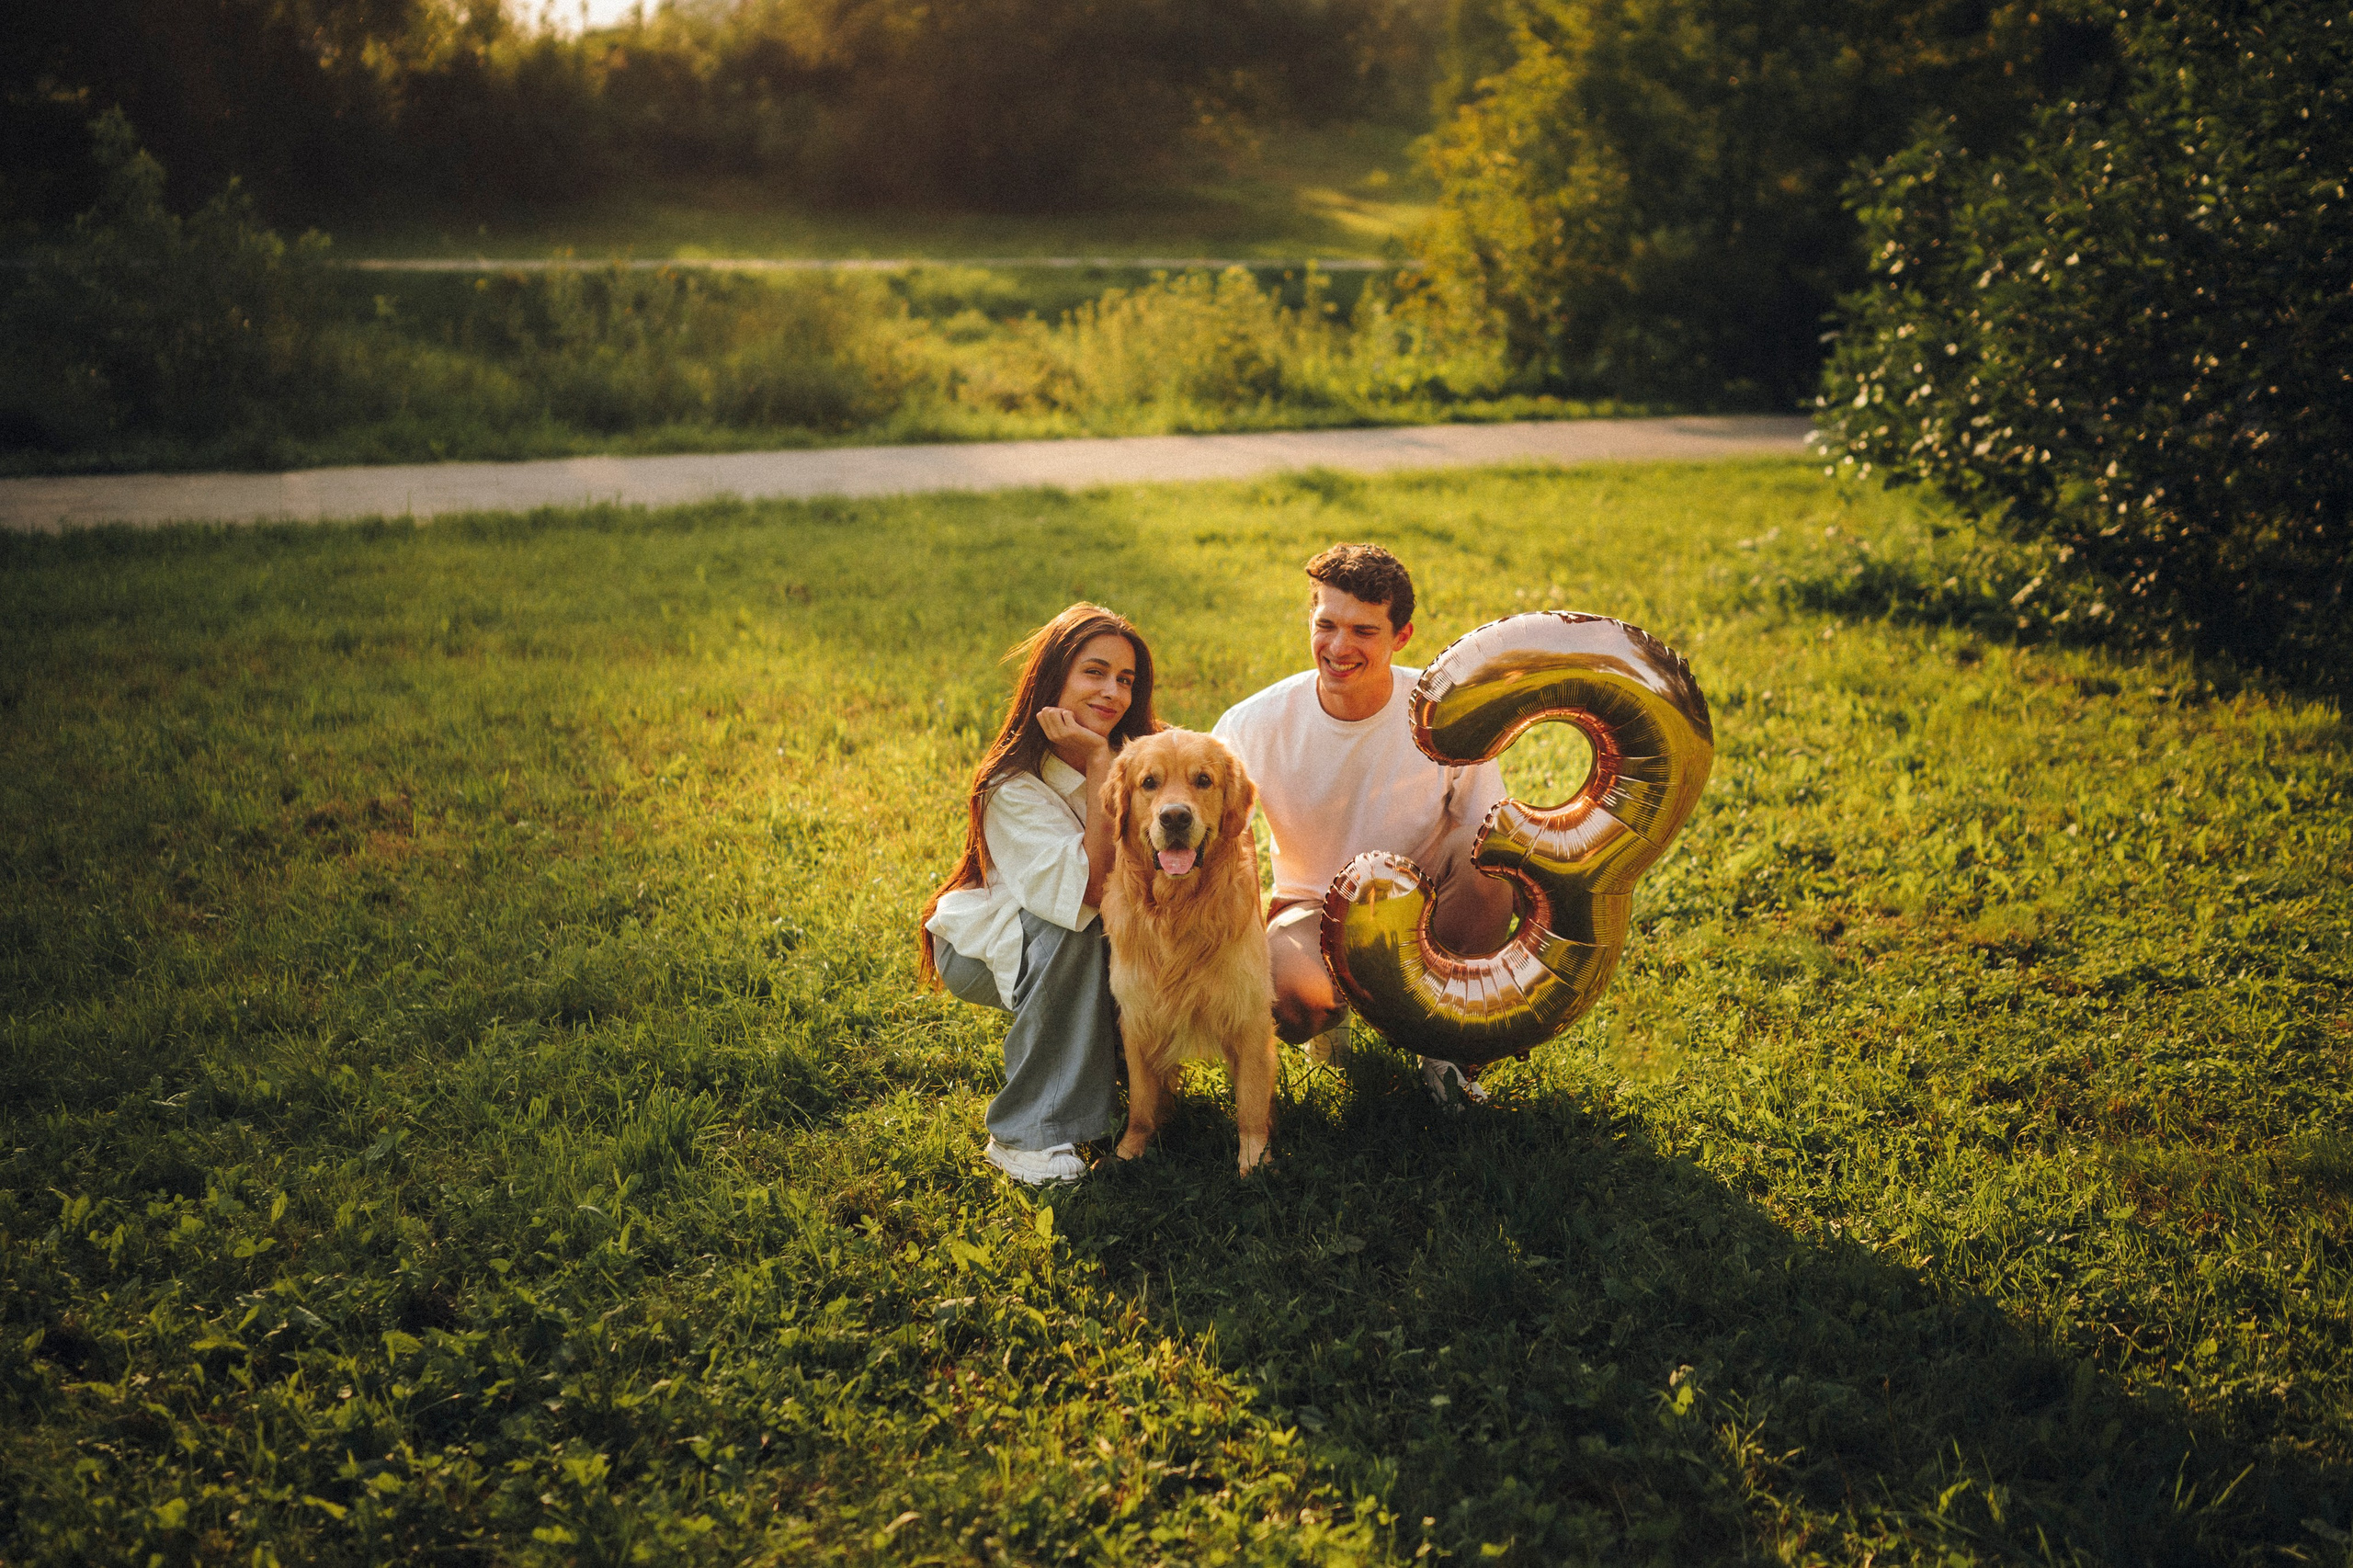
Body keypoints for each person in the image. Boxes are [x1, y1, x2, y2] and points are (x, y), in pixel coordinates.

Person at [1211, 544, 1514, 1102]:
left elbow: (1486, 831)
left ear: (1402, 636)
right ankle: (1329, 1013)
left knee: (1490, 868)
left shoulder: (1444, 712)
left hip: (1426, 899)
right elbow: (1224, 847)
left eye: (1364, 631)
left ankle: (1445, 1048)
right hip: (1312, 903)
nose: (1338, 647)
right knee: (1289, 1001)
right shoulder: (1250, 724)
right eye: (1326, 625)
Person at [920, 604, 1161, 1183]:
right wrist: (1100, 763)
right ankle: (1027, 1134)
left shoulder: (1147, 755)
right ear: (1053, 678)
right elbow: (1090, 890)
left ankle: (1122, 1081)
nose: (1112, 692)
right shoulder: (1012, 783)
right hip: (995, 944)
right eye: (1094, 672)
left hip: (1091, 934)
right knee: (1072, 921)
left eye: (1125, 679)